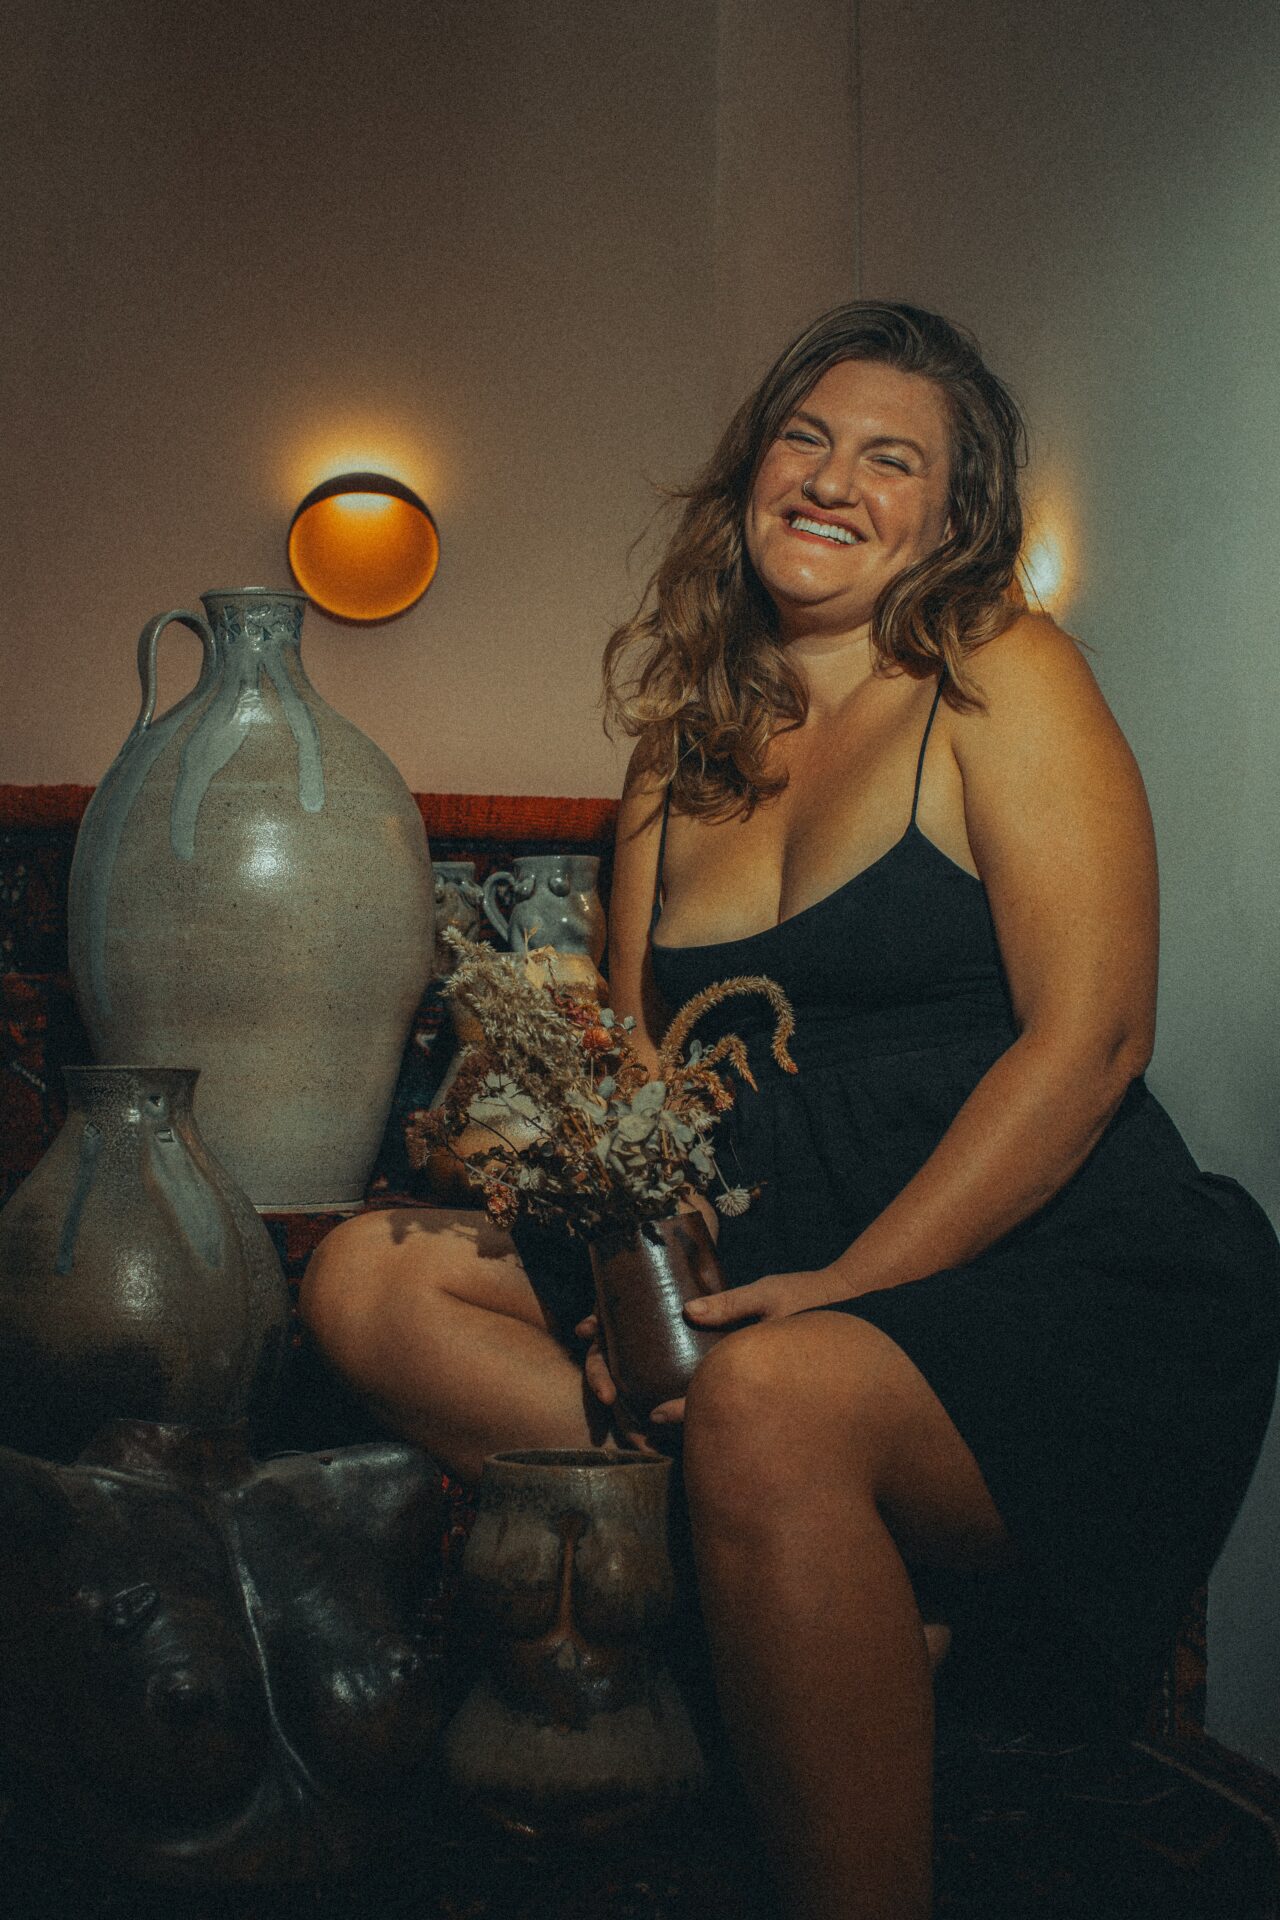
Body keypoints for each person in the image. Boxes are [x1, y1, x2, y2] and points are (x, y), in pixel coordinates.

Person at [300, 302, 1280, 1920]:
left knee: (763, 1402)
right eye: (804, 440)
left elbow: (1093, 1042)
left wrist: (846, 1289)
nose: (830, 480)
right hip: (763, 1246)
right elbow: (634, 1079)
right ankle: (836, 1602)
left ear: (952, 519)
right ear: (750, 474)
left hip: (1039, 1261)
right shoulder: (672, 753)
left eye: (891, 459)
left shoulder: (999, 672)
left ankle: (822, 1603)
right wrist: (622, 1283)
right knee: (369, 1282)